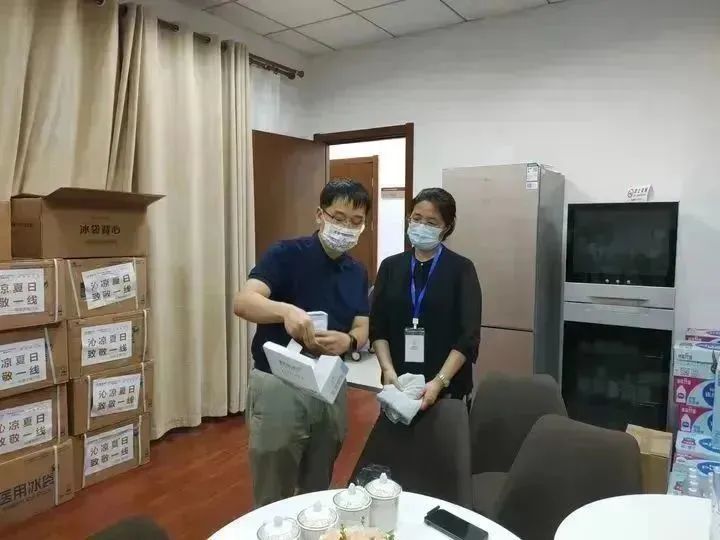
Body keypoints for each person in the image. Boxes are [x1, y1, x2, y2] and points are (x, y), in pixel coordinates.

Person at [233, 179, 371, 507]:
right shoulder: (286, 254)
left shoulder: (356, 271)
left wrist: (349, 340)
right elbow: (243, 302)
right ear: (320, 215)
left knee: (318, 484)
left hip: (329, 382)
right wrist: (285, 312)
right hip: (280, 381)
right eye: (339, 218)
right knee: (274, 485)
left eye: (356, 222)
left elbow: (362, 323)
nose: (346, 228)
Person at [370, 187, 482, 409]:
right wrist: (387, 370)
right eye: (416, 218)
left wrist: (439, 382)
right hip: (398, 383)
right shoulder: (391, 267)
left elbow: (468, 336)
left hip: (447, 387)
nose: (421, 226)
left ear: (447, 227)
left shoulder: (461, 269)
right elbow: (378, 327)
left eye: (431, 222)